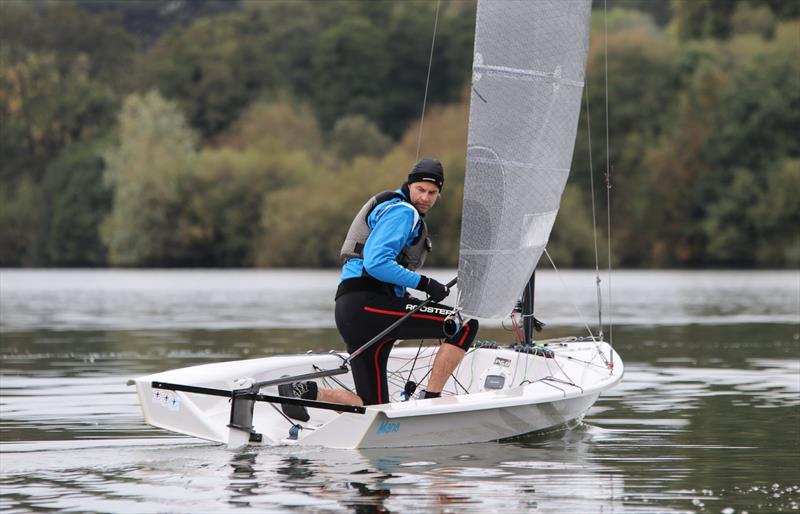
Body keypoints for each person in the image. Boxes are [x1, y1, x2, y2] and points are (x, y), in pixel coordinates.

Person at [279, 158, 478, 417]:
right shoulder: (403, 211)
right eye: (420, 190)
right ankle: (432, 401)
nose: (425, 198)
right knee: (461, 326)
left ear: (439, 193)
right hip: (368, 306)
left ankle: (303, 391)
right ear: (409, 186)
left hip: (351, 310)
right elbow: (376, 263)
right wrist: (426, 284)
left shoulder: (393, 207)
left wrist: (406, 293)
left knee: (373, 408)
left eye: (432, 193)